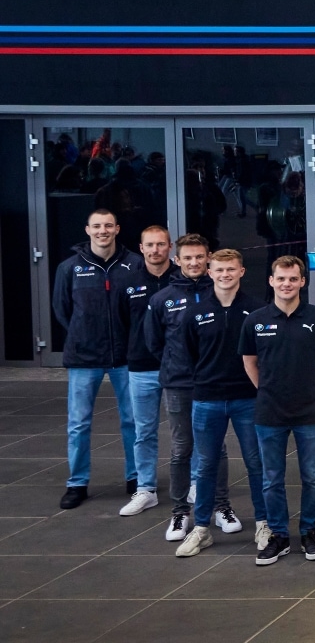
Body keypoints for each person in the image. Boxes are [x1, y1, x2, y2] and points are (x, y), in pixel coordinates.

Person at [239, 257, 315, 565]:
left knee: (312, 477)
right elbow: (249, 362)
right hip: (269, 413)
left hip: (309, 412)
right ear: (271, 281)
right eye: (281, 278)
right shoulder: (255, 320)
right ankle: (280, 536)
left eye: (292, 279)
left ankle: (309, 531)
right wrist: (268, 390)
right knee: (271, 478)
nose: (286, 284)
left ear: (302, 282)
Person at [145, 234, 239, 541]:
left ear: (209, 258)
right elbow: (155, 343)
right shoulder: (163, 299)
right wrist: (179, 366)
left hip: (214, 384)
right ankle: (179, 513)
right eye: (188, 258)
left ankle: (221, 507)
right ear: (178, 260)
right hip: (179, 384)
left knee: (215, 449)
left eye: (200, 257)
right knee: (181, 449)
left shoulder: (223, 293)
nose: (194, 262)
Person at [175, 249, 268, 558]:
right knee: (205, 465)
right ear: (209, 273)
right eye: (219, 270)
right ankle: (201, 529)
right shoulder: (195, 313)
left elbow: (264, 356)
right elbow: (188, 355)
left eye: (231, 269)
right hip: (207, 400)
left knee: (257, 463)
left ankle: (264, 525)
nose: (225, 274)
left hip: (247, 399)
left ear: (241, 271)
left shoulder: (257, 311)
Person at [52, 207, 141, 509]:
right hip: (83, 357)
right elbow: (63, 310)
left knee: (133, 421)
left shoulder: (134, 265)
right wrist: (84, 334)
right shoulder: (70, 268)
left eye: (108, 226)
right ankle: (77, 484)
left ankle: (136, 478)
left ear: (117, 229)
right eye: (96, 226)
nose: (102, 231)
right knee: (78, 423)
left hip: (126, 357)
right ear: (87, 230)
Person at [113, 224, 179, 517]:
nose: (155, 250)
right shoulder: (126, 282)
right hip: (140, 368)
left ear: (170, 247)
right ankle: (146, 489)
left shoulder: (181, 281)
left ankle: (189, 484)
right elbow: (119, 324)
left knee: (184, 431)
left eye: (161, 244)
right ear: (141, 248)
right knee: (143, 431)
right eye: (149, 245)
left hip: (179, 368)